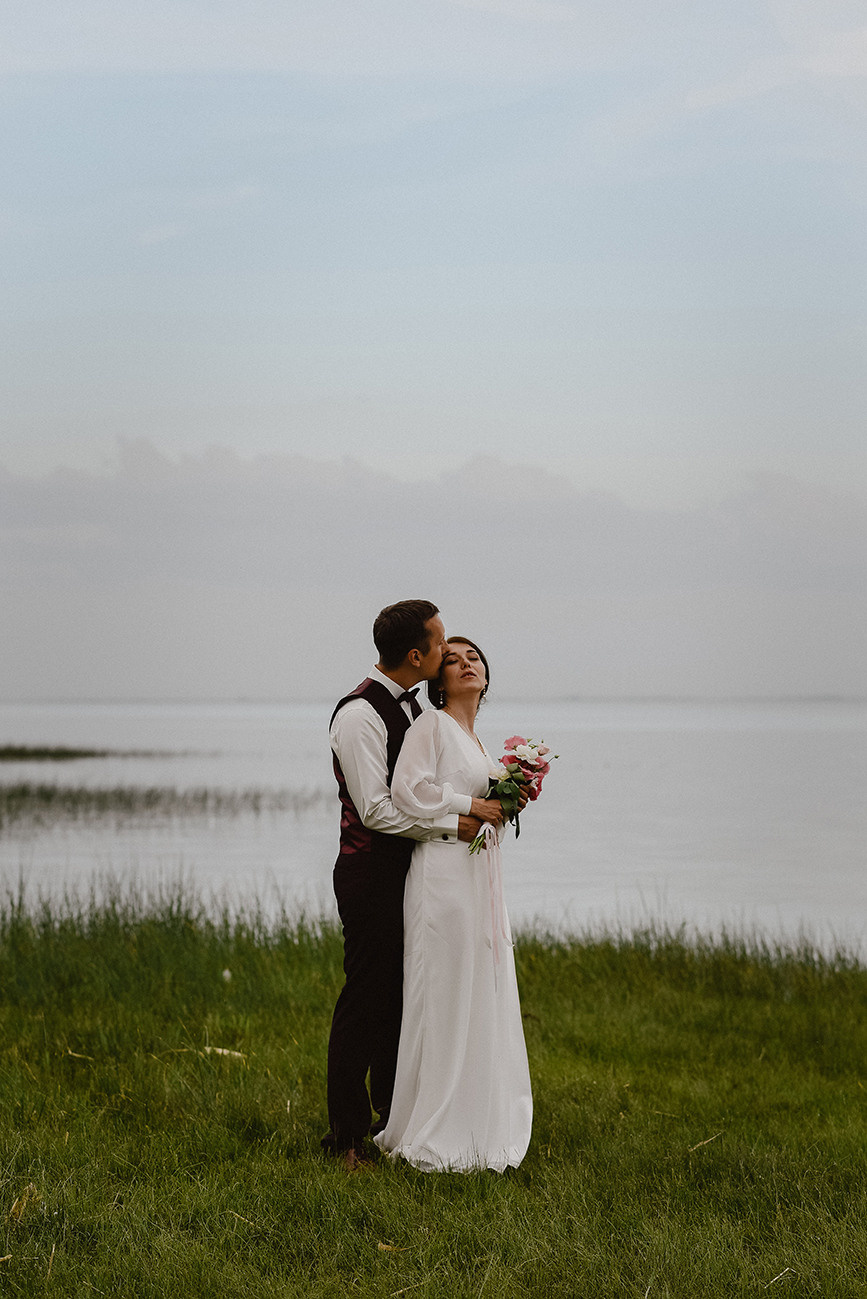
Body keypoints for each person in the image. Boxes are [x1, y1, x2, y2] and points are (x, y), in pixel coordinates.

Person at [323, 601, 491, 1170]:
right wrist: (454, 821)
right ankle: (345, 1138)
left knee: (404, 999)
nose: (450, 652)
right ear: (417, 655)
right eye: (442, 643)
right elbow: (374, 810)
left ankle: (393, 1120)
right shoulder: (359, 716)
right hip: (369, 873)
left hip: (413, 874)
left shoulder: (416, 707)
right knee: (365, 1000)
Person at [375, 636, 533, 1172]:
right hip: (442, 873)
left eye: (475, 658)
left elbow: (481, 804)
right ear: (438, 681)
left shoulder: (477, 741)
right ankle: (434, 1125)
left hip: (479, 873)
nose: (467, 664)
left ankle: (481, 1120)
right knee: (444, 992)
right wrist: (473, 804)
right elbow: (406, 791)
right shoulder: (432, 726)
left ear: (486, 676)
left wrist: (509, 797)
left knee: (478, 988)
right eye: (454, 660)